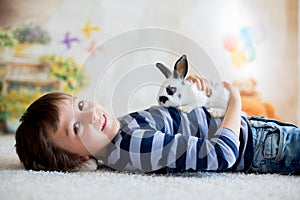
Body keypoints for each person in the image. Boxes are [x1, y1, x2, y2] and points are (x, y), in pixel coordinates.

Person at [15, 75, 300, 174]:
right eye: (76, 128)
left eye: (79, 105)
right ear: (79, 157)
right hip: (259, 146)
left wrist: (183, 100)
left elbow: (161, 127)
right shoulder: (134, 148)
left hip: (258, 135)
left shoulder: (119, 135)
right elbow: (222, 155)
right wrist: (236, 100)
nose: (89, 114)